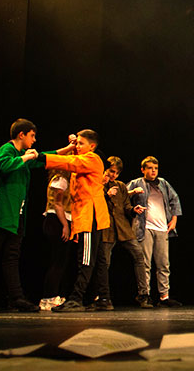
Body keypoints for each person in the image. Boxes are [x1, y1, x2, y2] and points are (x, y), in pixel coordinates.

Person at [0, 119, 49, 312]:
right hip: (2, 212)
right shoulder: (7, 150)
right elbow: (4, 166)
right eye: (32, 136)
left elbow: (46, 156)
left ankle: (16, 298)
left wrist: (69, 149)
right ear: (21, 135)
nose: (34, 140)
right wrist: (27, 158)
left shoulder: (23, 155)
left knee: (12, 256)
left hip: (16, 214)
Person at [46, 130, 111, 312]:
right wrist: (73, 147)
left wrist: (43, 158)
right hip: (89, 215)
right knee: (98, 261)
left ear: (92, 146)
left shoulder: (92, 159)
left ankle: (76, 298)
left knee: (86, 259)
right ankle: (104, 298)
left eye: (81, 143)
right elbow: (75, 161)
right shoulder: (84, 160)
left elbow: (70, 162)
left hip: (90, 215)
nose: (77, 146)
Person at [128, 156, 183, 307]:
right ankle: (144, 295)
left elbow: (175, 199)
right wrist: (133, 193)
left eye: (155, 168)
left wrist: (174, 220)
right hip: (144, 227)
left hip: (162, 228)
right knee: (145, 263)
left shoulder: (163, 183)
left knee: (163, 264)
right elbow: (122, 197)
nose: (153, 171)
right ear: (143, 169)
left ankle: (164, 297)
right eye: (150, 168)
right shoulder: (136, 183)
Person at [95, 156, 147, 309]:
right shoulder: (98, 184)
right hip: (107, 229)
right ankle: (101, 296)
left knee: (138, 254)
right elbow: (94, 203)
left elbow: (126, 206)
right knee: (105, 263)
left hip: (123, 228)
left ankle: (143, 294)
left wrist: (133, 210)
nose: (113, 175)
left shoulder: (121, 186)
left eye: (116, 173)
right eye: (111, 171)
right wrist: (106, 195)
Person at [38, 166, 73, 311]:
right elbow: (58, 204)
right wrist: (65, 225)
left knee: (60, 260)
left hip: (60, 219)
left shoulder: (64, 180)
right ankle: (49, 297)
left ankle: (54, 295)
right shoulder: (61, 179)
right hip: (57, 220)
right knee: (58, 261)